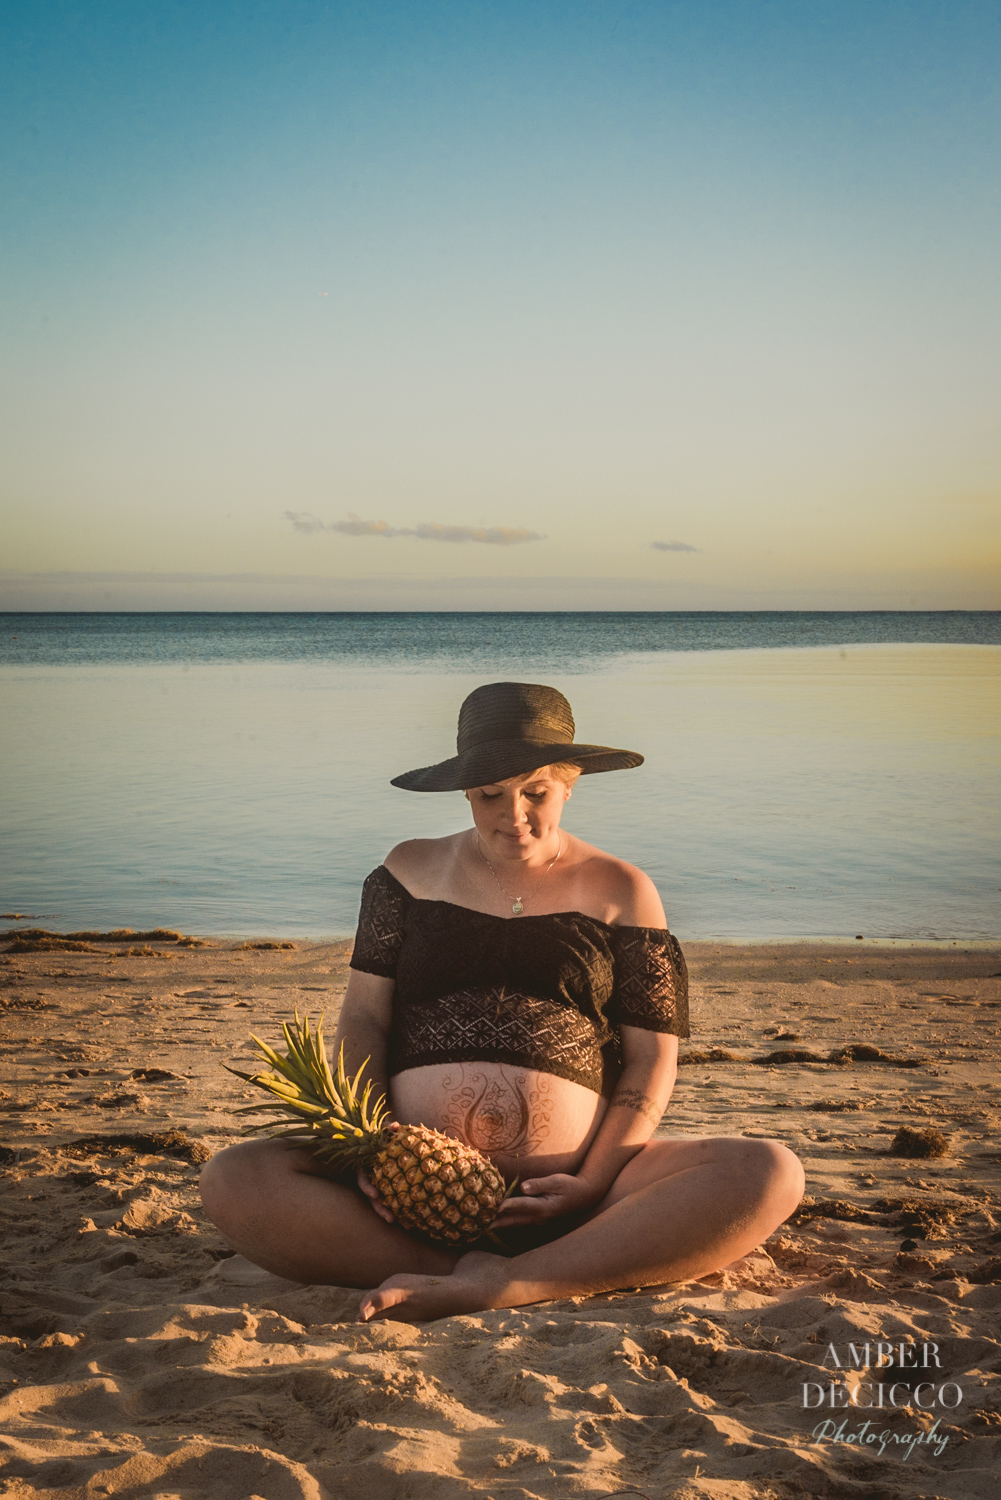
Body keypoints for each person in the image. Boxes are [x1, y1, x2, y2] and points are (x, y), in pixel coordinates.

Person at [201, 681, 804, 1322]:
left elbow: (652, 1060)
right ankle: (467, 1276)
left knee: (769, 1171)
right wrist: (372, 1150)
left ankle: (521, 1279)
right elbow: (364, 1020)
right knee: (234, 1178)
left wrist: (591, 1182)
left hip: (578, 1199)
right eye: (491, 794)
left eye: (535, 792)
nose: (512, 813)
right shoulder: (407, 872)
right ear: (465, 791)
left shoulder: (623, 890)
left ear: (569, 783)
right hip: (408, 1197)